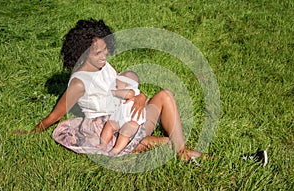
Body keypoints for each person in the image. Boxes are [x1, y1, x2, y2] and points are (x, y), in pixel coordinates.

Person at [31, 18, 203, 160]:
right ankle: (142, 145)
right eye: (97, 53)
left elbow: (126, 87)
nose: (104, 56)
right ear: (82, 53)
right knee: (165, 142)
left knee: (165, 95)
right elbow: (56, 115)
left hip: (127, 114)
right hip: (110, 129)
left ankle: (182, 151)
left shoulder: (105, 66)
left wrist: (141, 97)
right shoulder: (79, 83)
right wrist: (31, 132)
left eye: (105, 50)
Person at [97, 70, 146, 156]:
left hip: (133, 121)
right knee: (109, 124)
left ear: (127, 84)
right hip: (122, 119)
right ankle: (103, 144)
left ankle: (115, 150)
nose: (116, 87)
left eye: (117, 85)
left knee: (125, 132)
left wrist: (114, 92)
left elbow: (129, 94)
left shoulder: (133, 91)